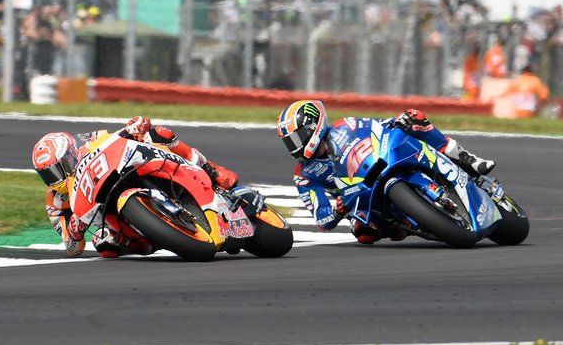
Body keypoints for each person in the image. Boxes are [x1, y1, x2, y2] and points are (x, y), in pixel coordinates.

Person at [276, 100, 496, 245]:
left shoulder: (346, 125)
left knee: (414, 117)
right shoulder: (304, 175)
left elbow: (377, 127)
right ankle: (413, 223)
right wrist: (337, 211)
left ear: (314, 125)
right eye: (289, 143)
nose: (294, 146)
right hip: (358, 199)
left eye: (297, 137)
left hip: (380, 162)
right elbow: (322, 219)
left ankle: (467, 160)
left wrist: (397, 122)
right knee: (364, 233)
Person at [32, 117, 239, 258]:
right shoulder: (55, 201)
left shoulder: (89, 142)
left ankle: (210, 170)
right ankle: (154, 235)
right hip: (112, 218)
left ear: (71, 154)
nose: (55, 178)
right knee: (103, 246)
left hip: (126, 171)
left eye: (60, 168)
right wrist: (75, 231)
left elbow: (116, 138)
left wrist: (134, 127)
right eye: (48, 174)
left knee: (159, 133)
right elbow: (72, 248)